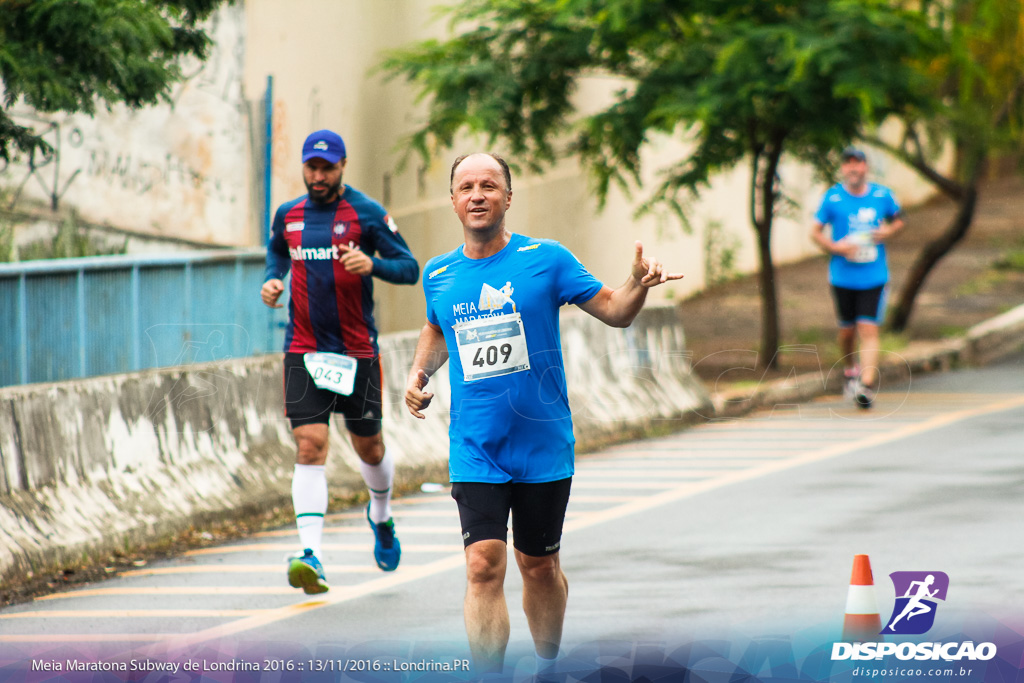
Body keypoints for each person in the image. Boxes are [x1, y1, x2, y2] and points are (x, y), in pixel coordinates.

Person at [403, 152, 682, 676]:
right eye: (467, 187)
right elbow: (436, 329)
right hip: (476, 447)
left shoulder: (546, 259)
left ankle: (548, 665)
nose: (478, 195)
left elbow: (616, 311)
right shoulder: (439, 273)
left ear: (509, 198)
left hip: (542, 446)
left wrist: (639, 284)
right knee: (483, 565)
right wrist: (418, 377)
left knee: (539, 565)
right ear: (453, 200)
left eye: (489, 185)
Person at [261, 129, 419, 594]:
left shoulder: (365, 214)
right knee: (309, 445)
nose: (318, 175)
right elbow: (276, 252)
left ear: (343, 166)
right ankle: (311, 554)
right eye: (311, 167)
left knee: (369, 448)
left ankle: (382, 515)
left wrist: (373, 265)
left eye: (327, 168)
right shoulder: (287, 215)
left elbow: (409, 268)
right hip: (304, 350)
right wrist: (274, 281)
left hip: (358, 353)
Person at [810, 146, 904, 409]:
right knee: (847, 331)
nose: (854, 168)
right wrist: (835, 247)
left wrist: (888, 232)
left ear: (866, 167)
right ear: (843, 169)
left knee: (868, 327)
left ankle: (866, 385)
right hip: (842, 276)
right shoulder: (832, 198)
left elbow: (899, 220)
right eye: (849, 164)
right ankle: (851, 368)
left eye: (858, 163)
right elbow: (815, 231)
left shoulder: (882, 195)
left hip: (874, 274)